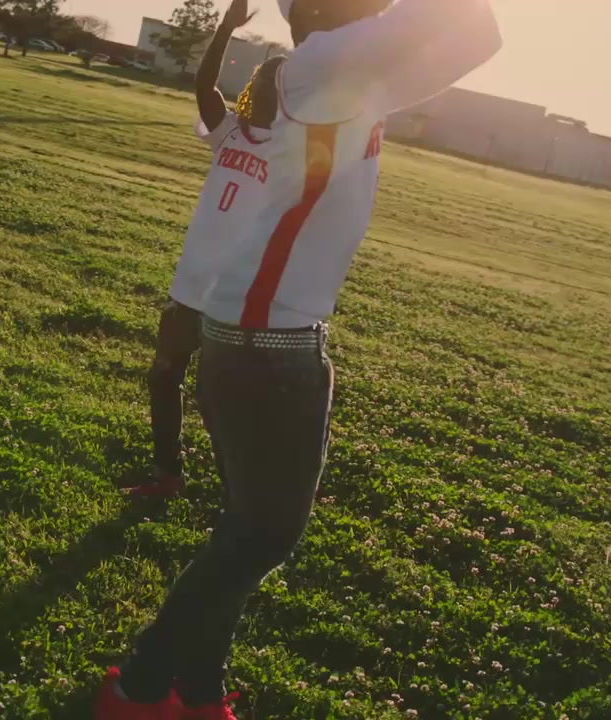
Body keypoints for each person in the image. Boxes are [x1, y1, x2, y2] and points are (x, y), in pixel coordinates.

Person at [96, 0, 502, 718]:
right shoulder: (321, 65)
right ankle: (141, 687)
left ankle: (197, 690)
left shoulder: (353, 79)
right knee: (262, 538)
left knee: (244, 529)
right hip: (268, 352)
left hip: (261, 343)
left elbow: (477, 33)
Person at [128, 0, 281, 499]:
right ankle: (168, 475)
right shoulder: (228, 131)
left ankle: (244, 493)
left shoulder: (291, 151)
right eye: (261, 78)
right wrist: (225, 28)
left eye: (275, 84)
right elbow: (204, 84)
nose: (263, 85)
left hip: (234, 299)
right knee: (163, 375)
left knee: (220, 398)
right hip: (189, 286)